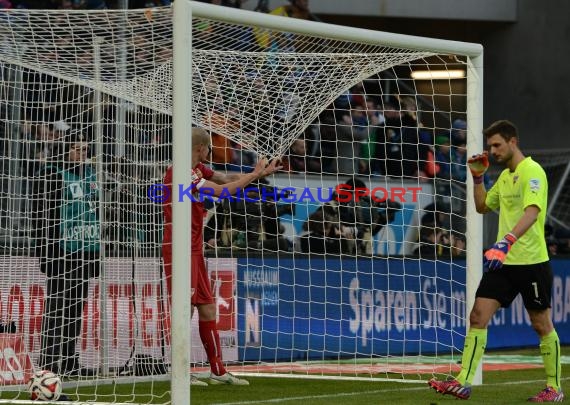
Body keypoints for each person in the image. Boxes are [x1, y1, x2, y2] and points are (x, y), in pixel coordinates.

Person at [428, 120, 563, 402]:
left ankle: (554, 388)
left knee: (541, 324)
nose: (492, 150)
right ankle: (463, 381)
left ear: (513, 141)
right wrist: (477, 179)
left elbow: (533, 212)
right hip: (503, 262)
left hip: (531, 262)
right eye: (490, 145)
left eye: (497, 145)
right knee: (478, 316)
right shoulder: (503, 177)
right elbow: (481, 206)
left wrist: (507, 240)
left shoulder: (532, 171)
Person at [162, 127, 280, 386]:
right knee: (184, 309)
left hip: (193, 248)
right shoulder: (181, 172)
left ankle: (218, 370)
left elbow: (225, 179)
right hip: (179, 249)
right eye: (208, 148)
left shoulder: (196, 168)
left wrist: (257, 175)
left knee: (207, 307)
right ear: (200, 149)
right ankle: (179, 373)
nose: (210, 152)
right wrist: (254, 175)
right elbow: (223, 192)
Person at [32, 132, 99, 377]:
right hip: (60, 251)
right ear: (64, 149)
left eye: (85, 149)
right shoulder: (50, 174)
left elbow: (96, 213)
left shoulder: (91, 175)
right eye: (77, 148)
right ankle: (48, 363)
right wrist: (44, 252)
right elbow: (40, 216)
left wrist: (97, 255)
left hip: (86, 250)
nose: (82, 153)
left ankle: (70, 361)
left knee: (75, 308)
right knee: (57, 307)